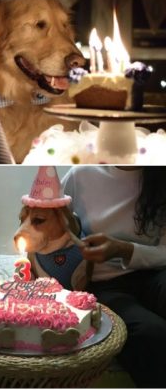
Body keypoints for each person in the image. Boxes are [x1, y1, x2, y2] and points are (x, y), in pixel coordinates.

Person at [61, 166, 166, 388]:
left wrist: (123, 249)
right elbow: (50, 223)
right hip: (105, 284)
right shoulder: (80, 175)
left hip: (156, 273)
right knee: (151, 334)